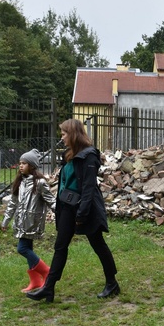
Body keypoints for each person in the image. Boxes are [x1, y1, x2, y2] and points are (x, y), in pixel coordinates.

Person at [27, 119, 120, 302]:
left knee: (98, 244)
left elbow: (88, 188)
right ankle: (49, 288)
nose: (61, 138)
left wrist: (82, 214)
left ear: (73, 134)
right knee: (60, 246)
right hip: (67, 207)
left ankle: (112, 283)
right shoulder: (69, 154)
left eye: (64, 134)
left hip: (85, 208)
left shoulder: (89, 156)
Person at [1, 149, 56, 292]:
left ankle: (46, 272)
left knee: (22, 248)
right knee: (28, 248)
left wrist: (62, 214)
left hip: (32, 223)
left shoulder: (40, 183)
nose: (20, 166)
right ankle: (36, 281)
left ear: (32, 165)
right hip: (20, 222)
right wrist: (6, 220)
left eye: (24, 163)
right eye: (20, 163)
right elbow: (13, 203)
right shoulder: (20, 182)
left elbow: (51, 201)